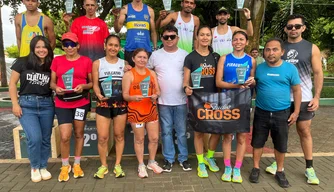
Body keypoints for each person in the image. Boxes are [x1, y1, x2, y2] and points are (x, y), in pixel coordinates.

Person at [266, 14, 323, 185]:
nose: (293, 29)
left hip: (304, 97)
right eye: (290, 26)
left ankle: (309, 167)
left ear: (303, 28)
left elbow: (318, 73)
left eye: (297, 26)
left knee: (304, 131)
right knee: (280, 133)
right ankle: (278, 161)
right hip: (281, 98)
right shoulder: (278, 48)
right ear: (285, 29)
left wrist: (317, 97)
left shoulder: (312, 48)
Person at [249, 38, 301, 188]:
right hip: (261, 112)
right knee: (257, 142)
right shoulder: (259, 68)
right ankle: (256, 168)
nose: (271, 53)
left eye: (275, 49)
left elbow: (297, 91)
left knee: (280, 144)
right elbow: (254, 85)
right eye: (268, 50)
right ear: (264, 52)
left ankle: (280, 171)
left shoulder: (290, 69)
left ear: (282, 52)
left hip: (282, 113)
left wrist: (296, 112)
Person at [9, 36, 54, 183]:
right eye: (38, 47)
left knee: (46, 138)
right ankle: (34, 167)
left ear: (48, 48)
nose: (41, 50)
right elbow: (12, 83)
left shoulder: (51, 64)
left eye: (44, 47)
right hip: (27, 105)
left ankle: (43, 166)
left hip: (47, 104)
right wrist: (15, 104)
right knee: (35, 138)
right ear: (33, 48)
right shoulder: (23, 62)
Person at [147, 25, 191, 172]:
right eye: (166, 37)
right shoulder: (155, 55)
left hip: (181, 100)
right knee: (165, 131)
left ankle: (183, 158)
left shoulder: (185, 55)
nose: (169, 39)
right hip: (163, 101)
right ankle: (169, 159)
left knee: (182, 132)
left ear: (177, 38)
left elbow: (190, 76)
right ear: (162, 39)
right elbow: (147, 72)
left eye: (172, 36)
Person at [50, 32, 93, 182]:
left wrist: (83, 86)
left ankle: (77, 163)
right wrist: (56, 88)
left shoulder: (87, 61)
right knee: (65, 136)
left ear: (78, 46)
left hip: (81, 102)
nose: (69, 47)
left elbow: (91, 83)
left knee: (79, 133)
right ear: (62, 47)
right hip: (63, 103)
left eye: (72, 44)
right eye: (66, 45)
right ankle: (64, 165)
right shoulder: (57, 60)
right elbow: (52, 83)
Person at [214, 31, 256, 183]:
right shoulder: (224, 58)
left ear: (246, 42)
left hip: (244, 101)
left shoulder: (251, 60)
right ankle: (227, 167)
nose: (238, 42)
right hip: (227, 101)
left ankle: (237, 168)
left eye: (241, 39)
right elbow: (218, 82)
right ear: (232, 42)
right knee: (227, 136)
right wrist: (236, 85)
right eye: (235, 39)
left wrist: (252, 82)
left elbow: (253, 81)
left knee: (242, 137)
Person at [183, 26, 220, 178]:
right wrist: (187, 88)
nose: (205, 38)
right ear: (196, 38)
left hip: (215, 100)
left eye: (208, 35)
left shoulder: (216, 57)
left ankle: (209, 157)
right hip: (197, 100)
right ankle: (200, 162)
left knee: (217, 131)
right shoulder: (190, 57)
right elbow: (185, 82)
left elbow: (220, 79)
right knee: (199, 133)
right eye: (202, 35)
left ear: (211, 37)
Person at [122, 48, 162, 178]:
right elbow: (125, 95)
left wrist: (155, 95)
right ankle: (141, 164)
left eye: (144, 57)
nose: (142, 60)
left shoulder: (151, 73)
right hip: (136, 112)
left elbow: (158, 91)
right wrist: (134, 98)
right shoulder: (129, 74)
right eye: (139, 57)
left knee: (154, 138)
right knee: (139, 139)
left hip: (151, 110)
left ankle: (151, 161)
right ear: (133, 59)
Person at [92, 35, 128, 179]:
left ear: (119, 48)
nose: (113, 48)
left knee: (119, 136)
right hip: (103, 104)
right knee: (102, 137)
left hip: (120, 104)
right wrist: (98, 94)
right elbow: (95, 84)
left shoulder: (124, 63)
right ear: (105, 45)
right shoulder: (97, 63)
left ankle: (118, 165)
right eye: (110, 45)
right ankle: (104, 165)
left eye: (116, 45)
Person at [113, 0, 157, 67]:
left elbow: (153, 32)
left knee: (146, 76)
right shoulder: (125, 9)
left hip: (146, 50)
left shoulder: (150, 10)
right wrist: (116, 17)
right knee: (130, 76)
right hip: (130, 50)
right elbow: (117, 30)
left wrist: (155, 48)